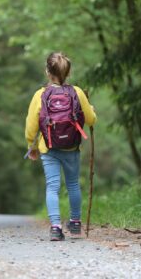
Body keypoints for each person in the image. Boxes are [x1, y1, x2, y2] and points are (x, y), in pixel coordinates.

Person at [25, 52, 96, 241]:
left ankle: (55, 227)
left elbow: (31, 126)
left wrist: (30, 145)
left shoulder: (40, 95)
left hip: (49, 148)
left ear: (47, 72)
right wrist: (92, 112)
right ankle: (75, 224)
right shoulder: (77, 92)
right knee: (73, 184)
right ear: (68, 72)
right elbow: (90, 119)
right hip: (71, 148)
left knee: (52, 187)